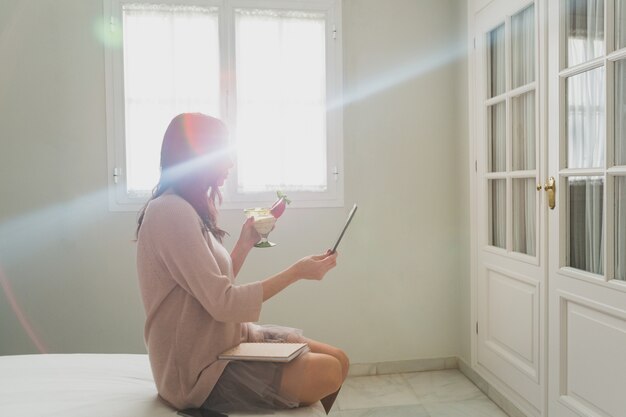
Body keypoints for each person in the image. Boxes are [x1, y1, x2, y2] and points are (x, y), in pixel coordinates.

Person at [135, 113, 349, 415]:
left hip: (229, 340)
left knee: (340, 358)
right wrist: (297, 272)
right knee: (329, 371)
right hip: (199, 371)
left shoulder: (188, 209)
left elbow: (213, 286)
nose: (231, 162)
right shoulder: (170, 213)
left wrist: (245, 243)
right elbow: (223, 303)